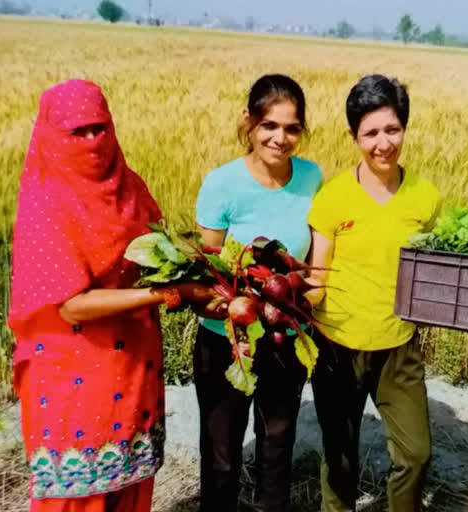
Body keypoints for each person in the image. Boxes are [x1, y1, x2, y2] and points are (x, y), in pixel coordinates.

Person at [8, 79, 211, 512]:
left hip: (133, 362)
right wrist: (163, 295)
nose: (92, 141)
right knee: (75, 494)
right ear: (51, 135)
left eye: (99, 128)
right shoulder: (46, 202)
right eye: (77, 132)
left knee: (130, 487)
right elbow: (71, 304)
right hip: (68, 371)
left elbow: (159, 250)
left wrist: (214, 267)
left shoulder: (129, 187)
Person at [305, 74, 440, 512]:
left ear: (405, 127)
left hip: (399, 348)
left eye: (392, 129)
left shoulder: (426, 197)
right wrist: (280, 312)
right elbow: (317, 275)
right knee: (339, 454)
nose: (384, 143)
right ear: (353, 136)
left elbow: (431, 270)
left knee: (416, 454)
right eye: (371, 133)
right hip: (338, 345)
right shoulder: (333, 199)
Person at [193, 74, 322, 512]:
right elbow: (208, 271)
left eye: (291, 128)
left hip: (286, 334)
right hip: (226, 338)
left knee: (277, 445)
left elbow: (313, 256)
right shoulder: (221, 183)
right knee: (222, 454)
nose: (280, 138)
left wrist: (294, 297)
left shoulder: (311, 177)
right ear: (248, 122)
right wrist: (238, 304)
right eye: (269, 125)